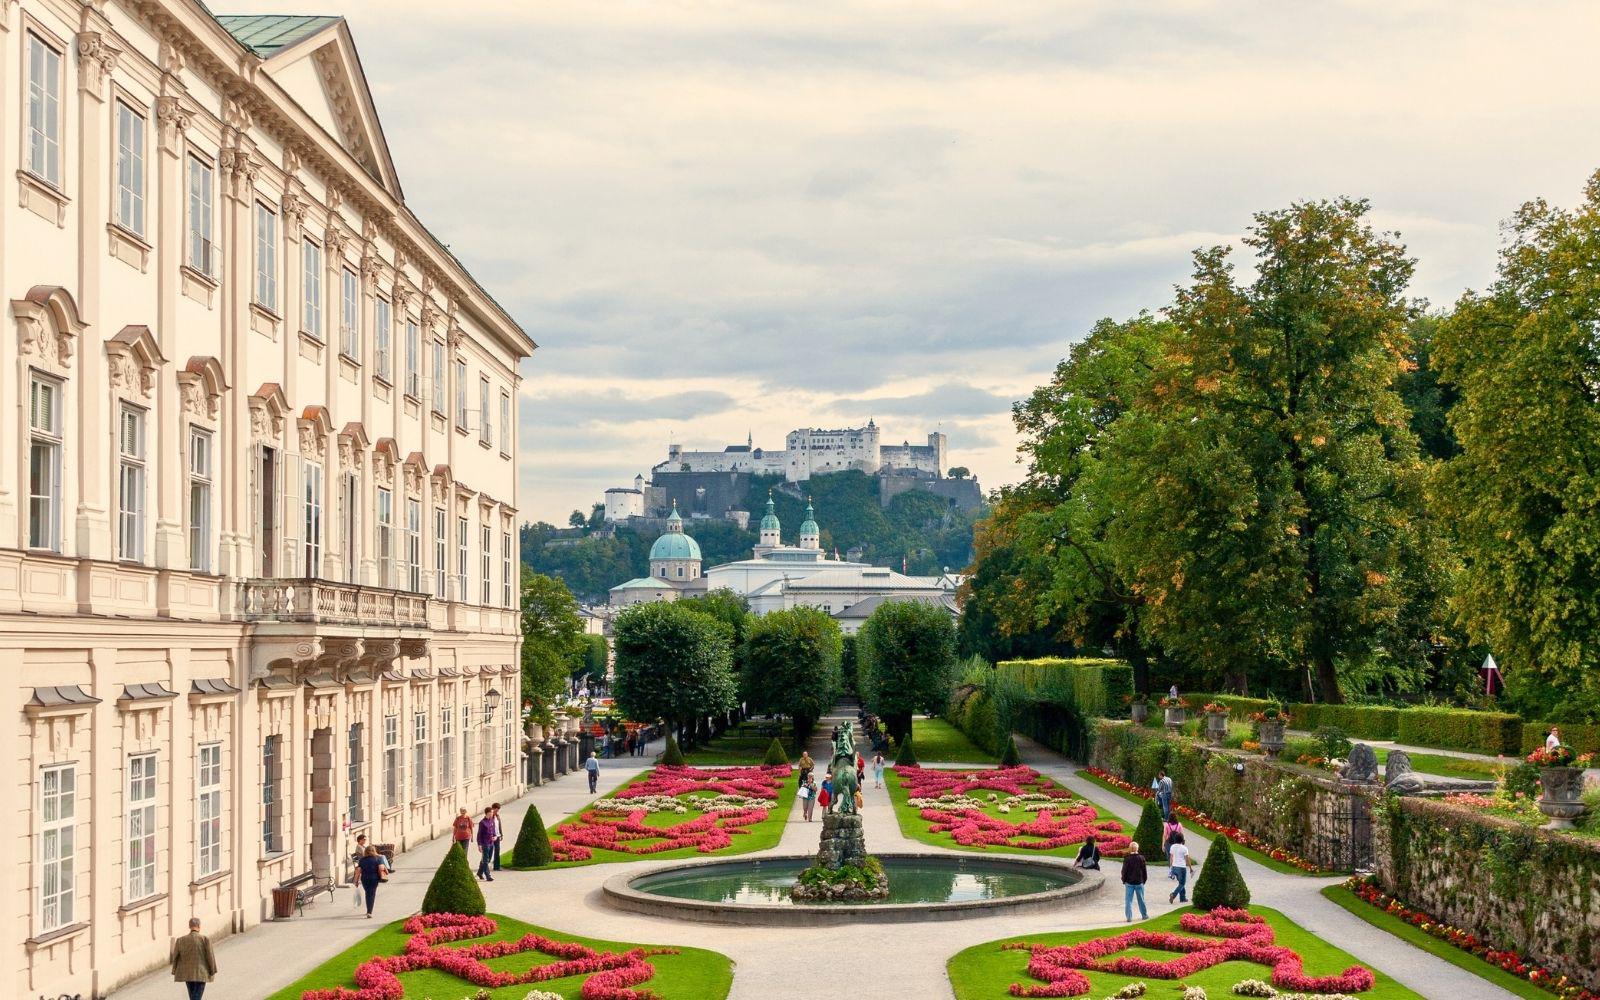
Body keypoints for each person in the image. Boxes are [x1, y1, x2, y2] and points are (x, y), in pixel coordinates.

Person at [170, 917, 218, 999]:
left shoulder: (180, 940)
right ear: (199, 926)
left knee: (192, 996)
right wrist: (212, 970)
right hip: (201, 973)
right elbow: (210, 956)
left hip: (187, 973)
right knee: (196, 997)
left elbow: (175, 957)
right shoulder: (205, 939)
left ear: (189, 926)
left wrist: (174, 970)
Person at [357, 845, 389, 918]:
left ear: (365, 851)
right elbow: (381, 867)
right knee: (371, 894)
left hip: (364, 879)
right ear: (374, 851)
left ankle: (368, 910)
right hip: (374, 878)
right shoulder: (378, 858)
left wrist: (356, 881)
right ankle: (369, 912)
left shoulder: (362, 860)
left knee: (368, 893)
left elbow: (358, 871)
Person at [1122, 841, 1149, 922]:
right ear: (1137, 848)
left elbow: (1124, 871)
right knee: (1141, 900)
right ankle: (1144, 915)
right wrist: (1143, 880)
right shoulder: (1141, 858)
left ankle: (1129, 917)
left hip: (1129, 882)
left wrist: (1124, 880)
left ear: (1130, 849)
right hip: (1139, 882)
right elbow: (1144, 871)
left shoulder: (1127, 859)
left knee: (1128, 901)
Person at [1167, 831, 1195, 904]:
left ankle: (1182, 898)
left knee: (1180, 883)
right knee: (1182, 883)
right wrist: (1190, 868)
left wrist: (1170, 867)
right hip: (1181, 868)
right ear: (1182, 839)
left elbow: (1171, 857)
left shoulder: (1172, 847)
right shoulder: (1184, 848)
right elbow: (1187, 859)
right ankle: (1173, 894)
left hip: (1174, 867)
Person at [475, 807, 497, 881]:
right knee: (485, 860)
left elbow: (493, 831)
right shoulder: (482, 822)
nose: (492, 813)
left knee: (488, 859)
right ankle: (488, 875)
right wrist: (479, 845)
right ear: (488, 813)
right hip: (485, 843)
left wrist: (495, 837)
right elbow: (479, 834)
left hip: (491, 843)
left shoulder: (492, 821)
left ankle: (479, 872)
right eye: (491, 812)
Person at [490, 802, 504, 870]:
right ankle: (484, 865)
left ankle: (496, 866)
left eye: (498, 809)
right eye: (496, 809)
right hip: (491, 837)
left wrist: (501, 834)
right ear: (493, 809)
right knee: (489, 851)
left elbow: (499, 826)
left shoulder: (497, 816)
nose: (497, 811)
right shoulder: (490, 817)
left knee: (497, 851)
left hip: (497, 836)